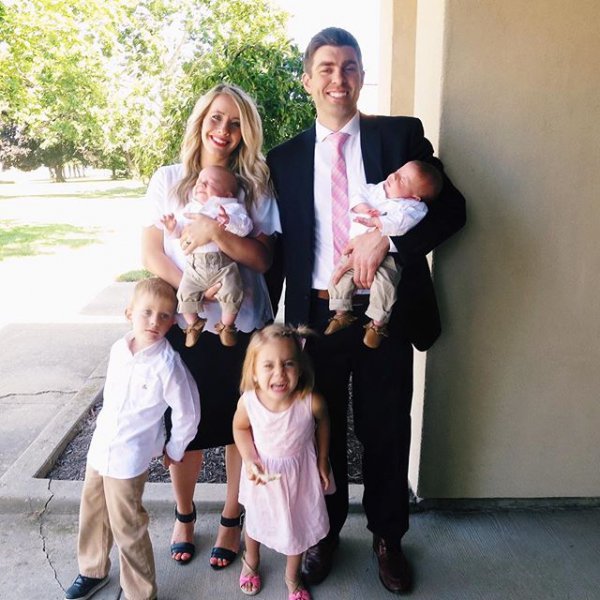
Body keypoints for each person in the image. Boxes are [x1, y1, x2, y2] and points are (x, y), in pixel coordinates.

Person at [266, 28, 466, 594]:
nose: (338, 78)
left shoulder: (399, 137)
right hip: (317, 317)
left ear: (361, 76)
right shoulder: (282, 158)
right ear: (307, 80)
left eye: (349, 67)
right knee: (317, 432)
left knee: (384, 429)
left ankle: (387, 538)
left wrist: (391, 243)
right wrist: (265, 326)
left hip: (385, 315)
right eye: (326, 68)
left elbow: (453, 210)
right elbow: (281, 246)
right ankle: (324, 534)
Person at [142, 83, 280, 570]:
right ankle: (184, 514)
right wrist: (193, 290)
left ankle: (230, 516)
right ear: (200, 122)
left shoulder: (255, 185)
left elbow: (262, 260)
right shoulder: (168, 180)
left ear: (247, 132)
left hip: (240, 325)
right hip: (185, 322)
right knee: (186, 423)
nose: (224, 130)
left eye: (236, 122)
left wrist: (220, 233)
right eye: (216, 118)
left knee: (235, 424)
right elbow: (152, 253)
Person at [64, 278, 200, 600]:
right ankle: (92, 569)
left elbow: (188, 411)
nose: (155, 321)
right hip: (101, 449)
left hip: (129, 458)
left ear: (174, 321)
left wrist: (175, 447)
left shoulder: (168, 365)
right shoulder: (118, 350)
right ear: (129, 313)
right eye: (147, 313)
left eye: (165, 316)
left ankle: (140, 592)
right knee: (93, 512)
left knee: (128, 526)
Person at [233, 324, 331, 600]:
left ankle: (293, 577)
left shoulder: (310, 402)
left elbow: (324, 423)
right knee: (255, 520)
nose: (279, 373)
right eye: (268, 365)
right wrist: (250, 459)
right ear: (253, 370)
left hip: (298, 475)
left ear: (300, 368)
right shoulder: (249, 403)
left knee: (295, 526)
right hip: (263, 473)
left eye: (288, 364)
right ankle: (251, 560)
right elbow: (240, 429)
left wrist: (323, 459)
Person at [325, 160, 443, 349]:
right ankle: (341, 313)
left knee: (385, 286)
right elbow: (359, 194)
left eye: (403, 180)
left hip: (388, 258)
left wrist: (380, 227)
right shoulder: (378, 189)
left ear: (414, 197)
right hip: (352, 251)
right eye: (398, 170)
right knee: (339, 277)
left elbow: (403, 223)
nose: (394, 175)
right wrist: (362, 207)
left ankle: (377, 325)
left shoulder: (413, 208)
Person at [160, 164, 253, 348]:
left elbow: (245, 226)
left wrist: (228, 222)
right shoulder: (191, 208)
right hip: (194, 267)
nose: (200, 185)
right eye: (199, 181)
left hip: (223, 265)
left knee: (233, 291)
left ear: (227, 194)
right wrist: (172, 229)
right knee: (184, 293)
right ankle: (193, 324)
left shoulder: (230, 207)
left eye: (208, 182)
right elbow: (181, 233)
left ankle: (227, 326)